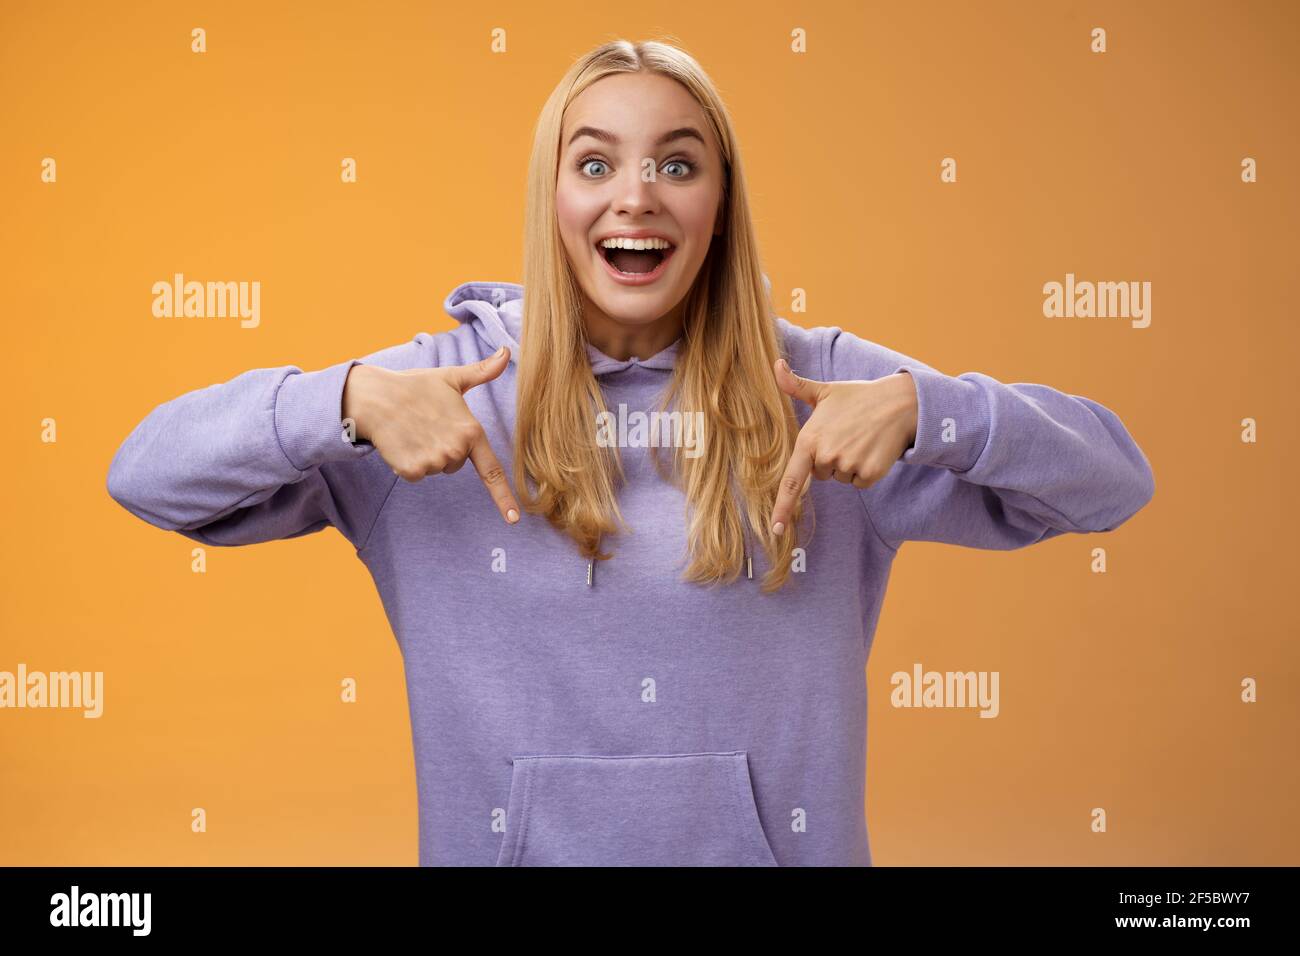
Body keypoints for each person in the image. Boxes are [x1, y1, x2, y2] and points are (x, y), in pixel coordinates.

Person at [106, 39, 1155, 866]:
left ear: (718, 205)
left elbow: (1113, 480)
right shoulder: (442, 392)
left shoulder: (821, 390)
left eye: (677, 164)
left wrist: (932, 411)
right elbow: (145, 474)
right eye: (595, 160)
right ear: (553, 199)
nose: (636, 194)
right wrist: (332, 399)